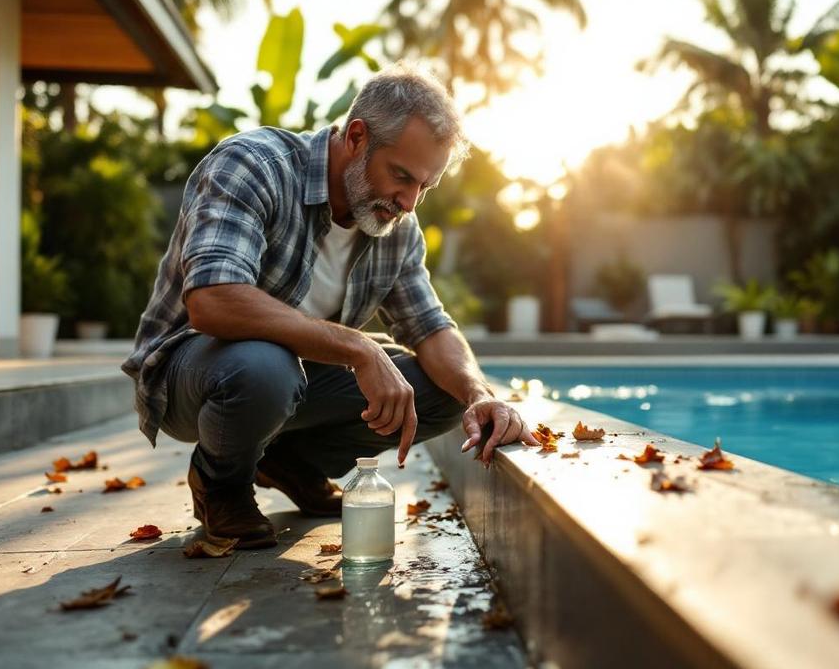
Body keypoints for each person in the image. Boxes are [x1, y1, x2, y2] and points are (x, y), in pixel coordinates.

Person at [121, 63, 537, 549]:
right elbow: (213, 301)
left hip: (293, 379)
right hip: (193, 371)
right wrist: (357, 347)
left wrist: (478, 394)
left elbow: (429, 326)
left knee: (443, 393)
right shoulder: (255, 165)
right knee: (266, 367)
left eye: (425, 186)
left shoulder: (396, 228)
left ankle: (290, 462)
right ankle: (220, 485)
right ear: (357, 137)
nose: (409, 202)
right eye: (401, 176)